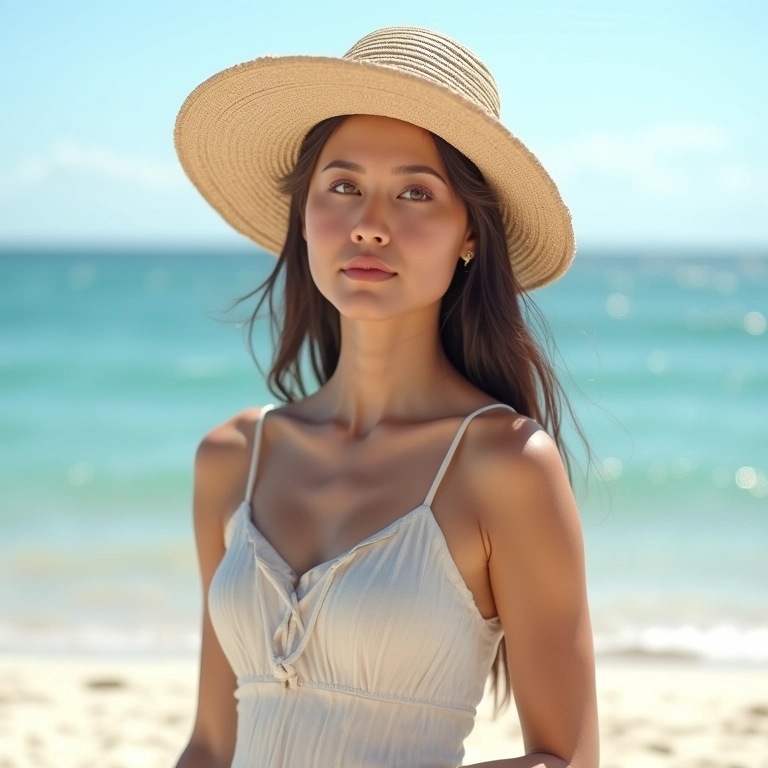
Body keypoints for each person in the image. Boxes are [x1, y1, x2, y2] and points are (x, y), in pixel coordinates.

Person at [173, 26, 599, 768]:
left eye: (415, 192)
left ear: (470, 234)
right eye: (342, 187)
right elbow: (212, 744)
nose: (369, 225)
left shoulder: (506, 464)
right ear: (303, 216)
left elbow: (567, 759)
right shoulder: (231, 460)